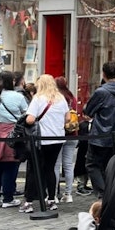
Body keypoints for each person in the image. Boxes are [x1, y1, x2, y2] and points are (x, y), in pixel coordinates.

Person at [81, 62, 115, 198]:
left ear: (104, 74)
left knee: (92, 164)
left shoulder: (101, 92)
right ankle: (113, 193)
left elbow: (88, 111)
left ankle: (103, 193)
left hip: (100, 136)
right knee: (113, 166)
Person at [0, 72, 29, 209]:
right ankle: (7, 199)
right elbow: (26, 114)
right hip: (10, 133)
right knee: (11, 166)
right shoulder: (17, 96)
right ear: (13, 81)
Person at [25, 75, 70, 212]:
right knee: (50, 169)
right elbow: (67, 118)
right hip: (57, 139)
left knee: (35, 169)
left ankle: (29, 202)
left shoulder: (37, 99)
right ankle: (51, 199)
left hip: (41, 139)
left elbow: (30, 120)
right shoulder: (61, 98)